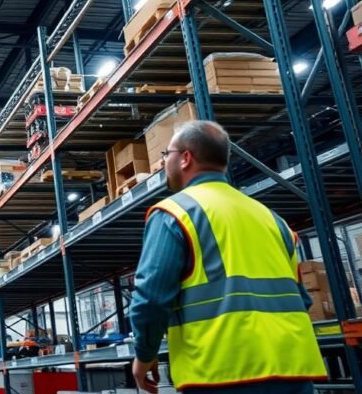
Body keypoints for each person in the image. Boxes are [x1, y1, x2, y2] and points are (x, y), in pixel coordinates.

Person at [129, 120, 326, 393]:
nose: (164, 163)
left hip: (222, 372)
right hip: (293, 371)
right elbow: (299, 297)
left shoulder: (174, 213)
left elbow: (151, 297)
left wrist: (145, 354)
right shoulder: (272, 219)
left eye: (167, 155)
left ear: (186, 158)